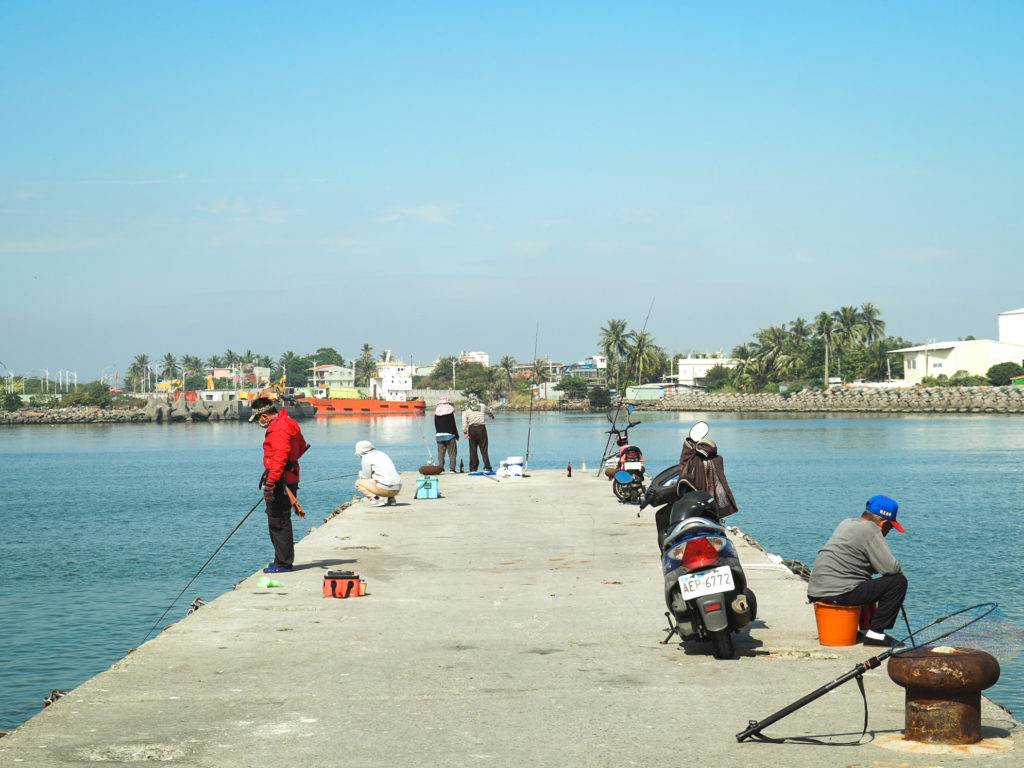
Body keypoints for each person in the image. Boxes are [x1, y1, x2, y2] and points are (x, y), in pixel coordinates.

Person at [807, 495, 908, 646]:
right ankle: (876, 634)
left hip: (816, 591)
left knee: (865, 581)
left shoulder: (846, 523)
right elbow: (892, 569)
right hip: (840, 593)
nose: (889, 531)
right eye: (890, 527)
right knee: (898, 582)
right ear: (883, 523)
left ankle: (862, 630)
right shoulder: (871, 529)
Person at [251, 395, 309, 574]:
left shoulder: (277, 429)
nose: (259, 423)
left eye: (258, 419)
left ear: (264, 415)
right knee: (281, 518)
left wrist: (270, 483)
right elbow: (300, 447)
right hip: (290, 477)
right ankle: (282, 560)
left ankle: (283, 563)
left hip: (280, 480)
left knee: (278, 520)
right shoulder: (289, 422)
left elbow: (280, 457)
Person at [354, 440, 402, 506]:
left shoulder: (366, 458)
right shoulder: (382, 454)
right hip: (397, 488)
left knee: (358, 483)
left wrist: (360, 473)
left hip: (385, 490)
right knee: (385, 477)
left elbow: (366, 476)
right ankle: (391, 499)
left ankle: (376, 499)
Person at [461, 393, 496, 473]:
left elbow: (464, 421)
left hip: (472, 429)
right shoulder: (482, 405)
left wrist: (465, 432)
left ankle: (473, 468)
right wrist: (491, 415)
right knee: (484, 449)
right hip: (481, 428)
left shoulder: (466, 408)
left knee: (473, 449)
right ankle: (487, 467)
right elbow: (488, 411)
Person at [433, 397, 459, 473]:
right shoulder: (449, 412)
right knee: (452, 453)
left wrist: (438, 433)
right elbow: (453, 425)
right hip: (450, 435)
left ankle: (441, 469)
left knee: (441, 454)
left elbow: (436, 425)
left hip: (439, 435)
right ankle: (452, 469)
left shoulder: (437, 413)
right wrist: (456, 435)